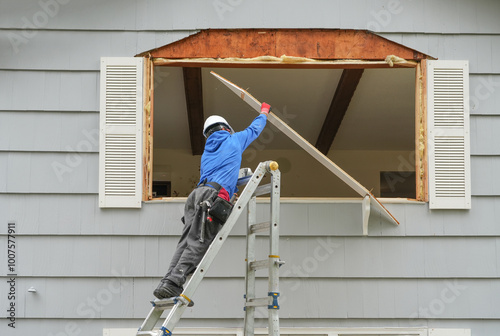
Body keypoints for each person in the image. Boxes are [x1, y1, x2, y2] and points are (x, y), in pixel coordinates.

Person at [153, 102, 271, 299]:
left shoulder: (208, 151)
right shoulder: (234, 140)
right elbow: (255, 129)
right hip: (211, 197)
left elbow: (223, 174)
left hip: (195, 196)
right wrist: (264, 112)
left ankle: (168, 282)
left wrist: (245, 179)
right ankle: (174, 282)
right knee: (199, 241)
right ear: (226, 129)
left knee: (185, 243)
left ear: (208, 134)